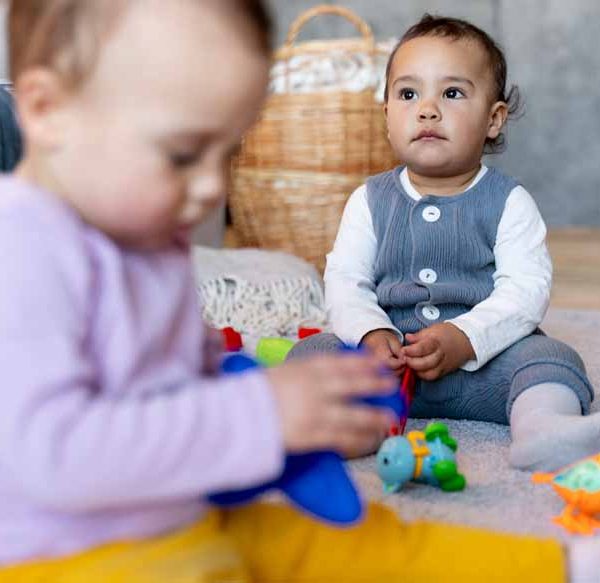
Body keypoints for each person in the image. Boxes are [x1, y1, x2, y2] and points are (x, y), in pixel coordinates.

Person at [0, 3, 596, 581]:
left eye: (226, 152)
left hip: (182, 504)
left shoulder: (145, 227)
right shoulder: (26, 252)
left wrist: (220, 373)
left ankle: (560, 560)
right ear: (49, 110)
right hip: (85, 553)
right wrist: (267, 409)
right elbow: (49, 454)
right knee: (317, 360)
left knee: (366, 540)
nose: (210, 188)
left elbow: (158, 365)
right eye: (183, 153)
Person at [289, 13, 598, 475]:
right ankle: (353, 427)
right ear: (387, 117)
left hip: (484, 367)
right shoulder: (369, 200)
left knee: (551, 358)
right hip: (389, 366)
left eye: (451, 93)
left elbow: (525, 291)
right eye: (408, 94)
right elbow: (346, 280)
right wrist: (371, 334)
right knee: (312, 354)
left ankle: (543, 429)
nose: (427, 109)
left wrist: (465, 338)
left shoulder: (509, 201)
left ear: (494, 119)